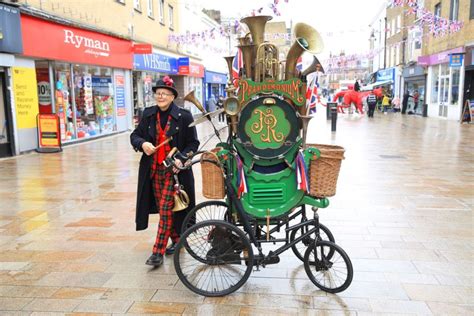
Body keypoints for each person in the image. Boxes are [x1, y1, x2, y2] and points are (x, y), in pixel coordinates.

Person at [130, 76, 200, 267]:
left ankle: (157, 252)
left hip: (175, 173)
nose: (160, 96)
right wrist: (143, 143)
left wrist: (181, 158)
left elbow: (193, 143)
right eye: (158, 93)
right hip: (153, 172)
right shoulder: (148, 114)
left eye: (164, 93)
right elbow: (134, 135)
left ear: (172, 96)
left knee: (167, 209)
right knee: (164, 210)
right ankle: (178, 241)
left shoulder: (184, 116)